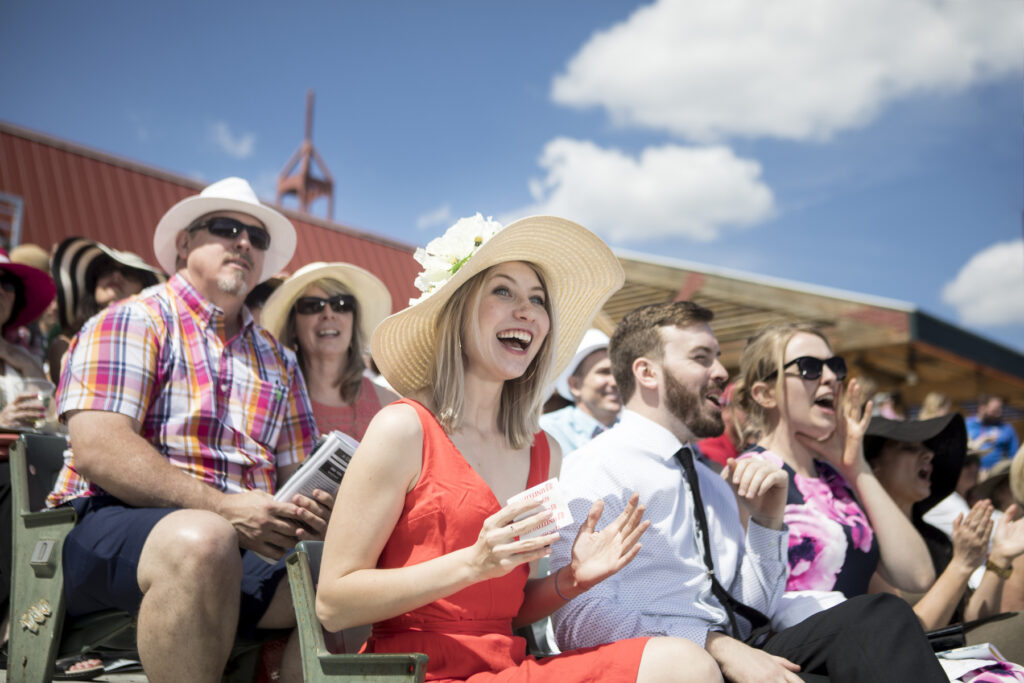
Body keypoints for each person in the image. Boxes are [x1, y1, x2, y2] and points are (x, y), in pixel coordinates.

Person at [316, 214, 721, 682]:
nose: (527, 310)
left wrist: (571, 581)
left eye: (538, 299)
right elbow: (333, 603)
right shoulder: (402, 428)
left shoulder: (544, 450)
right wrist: (472, 562)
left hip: (506, 667)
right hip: (417, 672)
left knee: (684, 663)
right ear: (458, 312)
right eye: (503, 291)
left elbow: (510, 605)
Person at [552, 301, 945, 683]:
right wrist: (713, 645)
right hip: (673, 666)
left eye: (718, 357)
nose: (722, 372)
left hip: (744, 652)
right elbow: (577, 619)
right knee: (874, 620)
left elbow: (751, 609)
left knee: (882, 618)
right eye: (701, 357)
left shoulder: (713, 481)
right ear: (647, 373)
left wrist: (768, 521)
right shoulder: (594, 469)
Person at [46, 177, 330, 682]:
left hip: (241, 541)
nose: (244, 243)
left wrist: (314, 510)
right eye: (226, 228)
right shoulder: (133, 319)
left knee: (349, 574)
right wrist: (223, 508)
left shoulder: (279, 359)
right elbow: (98, 450)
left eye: (257, 238)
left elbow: (297, 472)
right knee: (204, 539)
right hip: (109, 518)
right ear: (184, 243)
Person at [733, 322, 935, 626]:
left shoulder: (836, 480)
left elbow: (916, 575)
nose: (830, 378)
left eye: (835, 366)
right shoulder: (747, 475)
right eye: (809, 367)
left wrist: (858, 469)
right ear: (765, 394)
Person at [864, 415, 1024, 674]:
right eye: (909, 447)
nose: (928, 454)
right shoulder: (860, 540)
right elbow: (905, 635)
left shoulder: (935, 539)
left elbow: (975, 621)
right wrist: (961, 565)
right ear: (872, 465)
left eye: (926, 448)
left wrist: (1000, 558)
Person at [261, 262, 396, 440]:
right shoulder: (271, 399)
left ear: (353, 322)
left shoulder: (390, 406)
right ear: (292, 326)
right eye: (312, 305)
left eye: (341, 304)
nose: (328, 314)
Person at [47, 236, 165, 384]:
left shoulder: (158, 343)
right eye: (106, 270)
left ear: (144, 289)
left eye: (130, 273)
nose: (116, 275)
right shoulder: (66, 344)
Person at [539, 328, 621, 457]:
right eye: (604, 372)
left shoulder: (637, 433)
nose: (615, 382)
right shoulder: (547, 432)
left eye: (618, 373)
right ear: (575, 385)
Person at [967, 395, 1020, 472]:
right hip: (970, 473)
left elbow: (1014, 457)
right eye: (994, 411)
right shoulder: (968, 424)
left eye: (1000, 410)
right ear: (982, 408)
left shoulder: (1006, 429)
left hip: (996, 474)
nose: (999, 414)